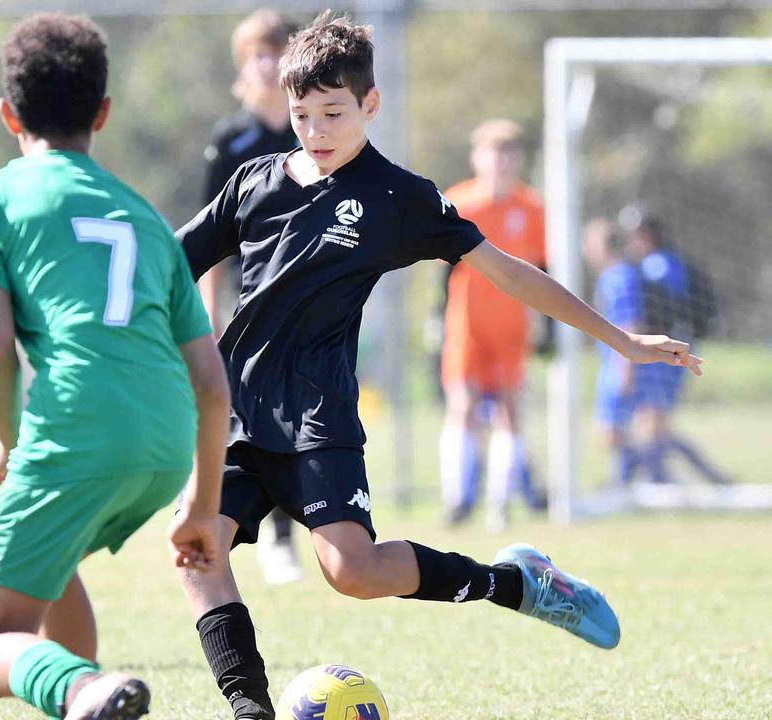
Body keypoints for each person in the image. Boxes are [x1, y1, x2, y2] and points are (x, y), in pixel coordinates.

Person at [174, 14, 702, 720]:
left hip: (315, 415)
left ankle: (516, 584)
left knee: (352, 574)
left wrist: (621, 340)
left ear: (370, 104)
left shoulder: (396, 198)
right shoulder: (254, 183)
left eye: (333, 113)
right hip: (235, 414)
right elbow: (168, 262)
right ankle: (249, 708)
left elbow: (510, 275)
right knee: (197, 552)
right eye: (302, 116)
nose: (315, 130)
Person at [0, 14, 230, 720]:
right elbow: (211, 381)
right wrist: (199, 504)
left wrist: (11, 440)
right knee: (52, 561)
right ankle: (91, 702)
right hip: (165, 440)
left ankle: (81, 689)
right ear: (103, 113)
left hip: (78, 425)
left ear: (6, 115)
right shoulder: (145, 218)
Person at [199, 9, 304, 586]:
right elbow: (210, 237)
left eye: (275, 51)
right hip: (249, 298)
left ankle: (288, 534)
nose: (266, 63)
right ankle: (254, 532)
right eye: (256, 54)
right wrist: (209, 317)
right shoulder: (230, 140)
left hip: (310, 297)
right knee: (251, 418)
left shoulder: (312, 128)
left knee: (302, 413)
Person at [439, 118, 547, 530]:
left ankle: (499, 503)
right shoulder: (460, 201)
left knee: (509, 410)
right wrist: (437, 317)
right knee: (462, 407)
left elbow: (541, 266)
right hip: (466, 322)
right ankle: (457, 499)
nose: (500, 161)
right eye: (492, 152)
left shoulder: (532, 207)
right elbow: (442, 269)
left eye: (508, 153)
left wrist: (547, 324)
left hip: (511, 324)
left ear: (518, 159)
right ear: (476, 157)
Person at [622, 209, 729, 485]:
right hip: (668, 352)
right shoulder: (667, 263)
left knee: (653, 420)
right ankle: (661, 478)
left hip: (667, 354)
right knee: (653, 422)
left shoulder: (658, 266)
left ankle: (662, 480)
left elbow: (666, 313)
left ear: (645, 235)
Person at [583, 218, 644, 485]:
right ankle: (624, 479)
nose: (585, 250)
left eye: (589, 244)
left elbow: (630, 322)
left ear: (603, 246)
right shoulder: (611, 276)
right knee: (611, 431)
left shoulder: (620, 276)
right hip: (611, 361)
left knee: (611, 430)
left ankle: (642, 474)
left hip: (618, 364)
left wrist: (626, 367)